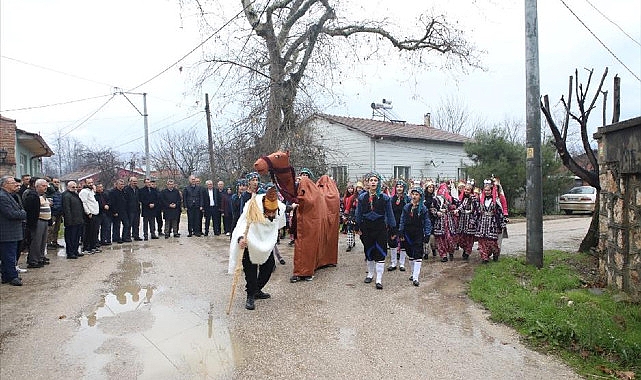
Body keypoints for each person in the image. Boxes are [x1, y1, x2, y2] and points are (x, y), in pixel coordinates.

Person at [228, 184, 286, 310]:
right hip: (250, 242)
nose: (271, 214)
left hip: (266, 243)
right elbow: (242, 224)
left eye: (273, 212)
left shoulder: (279, 209)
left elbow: (279, 223)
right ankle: (250, 295)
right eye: (268, 212)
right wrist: (240, 239)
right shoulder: (253, 206)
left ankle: (257, 290)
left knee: (269, 266)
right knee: (251, 271)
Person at [354, 172, 396, 290]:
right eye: (371, 180)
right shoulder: (362, 197)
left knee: (380, 252)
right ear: (367, 182)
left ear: (378, 183)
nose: (373, 182)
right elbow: (358, 212)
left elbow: (390, 214)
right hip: (367, 228)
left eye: (375, 180)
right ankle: (370, 274)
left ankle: (379, 279)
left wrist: (393, 228)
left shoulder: (385, 198)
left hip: (380, 228)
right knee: (369, 251)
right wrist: (357, 225)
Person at [398, 187, 432, 286]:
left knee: (417, 253)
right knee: (410, 253)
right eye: (413, 194)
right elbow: (402, 219)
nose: (414, 196)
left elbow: (427, 222)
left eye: (416, 194)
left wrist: (427, 233)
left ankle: (416, 277)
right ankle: (413, 273)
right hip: (408, 233)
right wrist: (401, 231)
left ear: (420, 197)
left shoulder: (423, 208)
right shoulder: (406, 207)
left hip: (418, 233)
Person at [1, 176, 27, 286]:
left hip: (12, 231)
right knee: (9, 255)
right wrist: (23, 213)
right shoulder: (2, 197)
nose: (15, 184)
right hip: (7, 231)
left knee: (10, 254)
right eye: (12, 183)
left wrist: (21, 212)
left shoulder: (10, 196)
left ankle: (7, 275)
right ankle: (12, 276)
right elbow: (11, 213)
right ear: (5, 184)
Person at [23, 178, 51, 268]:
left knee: (43, 241)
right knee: (36, 241)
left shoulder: (43, 195)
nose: (45, 188)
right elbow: (30, 210)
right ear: (37, 186)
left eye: (46, 186)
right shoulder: (32, 195)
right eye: (43, 186)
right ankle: (33, 260)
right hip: (37, 221)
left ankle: (40, 257)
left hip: (45, 220)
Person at [475, 182, 506, 263]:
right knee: (482, 241)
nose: (487, 192)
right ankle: (484, 257)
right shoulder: (480, 200)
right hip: (482, 222)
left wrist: (502, 222)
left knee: (492, 241)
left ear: (491, 191)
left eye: (488, 190)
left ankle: (495, 253)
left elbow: (500, 212)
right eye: (485, 190)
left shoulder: (496, 201)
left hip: (492, 223)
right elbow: (477, 211)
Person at [431, 182, 458, 262]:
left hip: (449, 221)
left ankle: (451, 252)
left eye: (445, 189)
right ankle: (443, 255)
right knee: (440, 239)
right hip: (439, 222)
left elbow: (456, 205)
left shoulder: (449, 198)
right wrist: (437, 212)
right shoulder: (435, 199)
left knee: (450, 237)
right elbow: (432, 208)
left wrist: (453, 209)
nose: (443, 191)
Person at [453, 183, 479, 260]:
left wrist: (473, 220)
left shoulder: (474, 198)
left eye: (468, 189)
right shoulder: (463, 198)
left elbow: (476, 209)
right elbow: (461, 206)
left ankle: (467, 251)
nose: (466, 191)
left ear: (471, 190)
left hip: (470, 219)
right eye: (466, 189)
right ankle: (464, 248)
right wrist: (457, 210)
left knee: (469, 238)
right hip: (462, 219)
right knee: (461, 236)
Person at [388, 179, 410, 271]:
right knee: (392, 242)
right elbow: (389, 212)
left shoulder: (407, 199)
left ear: (404, 188)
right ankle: (393, 263)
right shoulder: (391, 199)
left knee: (403, 242)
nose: (399, 188)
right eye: (398, 187)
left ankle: (402, 263)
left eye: (401, 187)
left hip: (404, 223)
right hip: (393, 223)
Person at [62, 181, 85, 259]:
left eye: (76, 187)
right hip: (71, 221)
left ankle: (75, 251)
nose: (75, 189)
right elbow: (66, 209)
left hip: (78, 220)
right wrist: (69, 221)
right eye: (73, 187)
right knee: (70, 238)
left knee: (76, 238)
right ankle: (70, 253)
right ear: (68, 187)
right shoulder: (66, 196)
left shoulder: (75, 195)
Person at [79, 178, 100, 254]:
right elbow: (84, 203)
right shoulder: (84, 192)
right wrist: (88, 213)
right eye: (89, 183)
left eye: (92, 182)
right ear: (85, 183)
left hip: (95, 213)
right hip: (89, 215)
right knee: (88, 232)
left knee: (94, 232)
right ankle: (86, 248)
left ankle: (93, 246)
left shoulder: (91, 191)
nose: (91, 184)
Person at [109, 179, 130, 243]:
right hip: (117, 212)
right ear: (117, 184)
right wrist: (114, 212)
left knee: (126, 224)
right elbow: (112, 203)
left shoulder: (124, 191)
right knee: (117, 225)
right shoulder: (113, 192)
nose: (122, 185)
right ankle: (116, 238)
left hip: (124, 211)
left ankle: (124, 237)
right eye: (121, 184)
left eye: (123, 184)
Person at [46, 177, 64, 249]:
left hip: (59, 213)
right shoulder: (50, 191)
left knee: (57, 228)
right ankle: (49, 243)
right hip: (52, 212)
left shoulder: (59, 192)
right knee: (51, 229)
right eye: (55, 182)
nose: (56, 183)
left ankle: (55, 241)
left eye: (58, 182)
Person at [423, 180, 437, 259]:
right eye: (429, 187)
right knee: (425, 235)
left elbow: (437, 207)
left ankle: (434, 248)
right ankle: (425, 252)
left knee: (432, 236)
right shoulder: (423, 198)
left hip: (432, 218)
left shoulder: (434, 199)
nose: (431, 189)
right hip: (424, 218)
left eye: (432, 187)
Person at [125, 176, 142, 241]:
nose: (135, 183)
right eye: (134, 181)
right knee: (129, 224)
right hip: (129, 210)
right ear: (130, 182)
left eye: (136, 181)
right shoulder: (126, 189)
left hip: (137, 209)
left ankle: (136, 236)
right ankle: (128, 237)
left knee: (136, 224)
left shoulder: (137, 189)